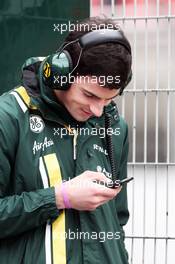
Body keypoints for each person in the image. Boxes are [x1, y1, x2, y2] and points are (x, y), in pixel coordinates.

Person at [0, 17, 132, 264]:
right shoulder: (8, 118)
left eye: (108, 99)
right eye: (89, 95)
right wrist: (60, 197)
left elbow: (118, 221)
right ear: (60, 73)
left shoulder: (114, 127)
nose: (97, 110)